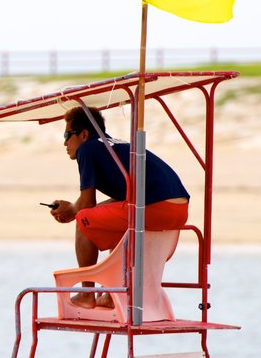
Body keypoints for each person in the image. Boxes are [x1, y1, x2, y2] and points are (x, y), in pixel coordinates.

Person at [49, 106, 190, 309]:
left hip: (156, 206)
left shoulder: (87, 149)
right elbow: (105, 204)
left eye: (67, 135)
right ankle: (109, 294)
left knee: (83, 219)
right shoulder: (114, 145)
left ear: (84, 134)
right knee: (107, 216)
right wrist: (73, 208)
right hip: (178, 208)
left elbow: (86, 204)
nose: (64, 143)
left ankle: (87, 293)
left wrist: (71, 210)